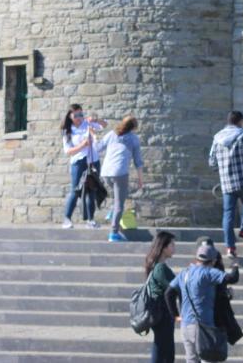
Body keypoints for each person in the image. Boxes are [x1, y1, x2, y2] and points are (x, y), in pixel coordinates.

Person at [165, 242, 240, 363]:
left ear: (197, 258)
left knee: (191, 359)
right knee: (208, 359)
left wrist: (175, 315)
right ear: (213, 261)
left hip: (186, 326)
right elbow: (233, 278)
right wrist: (235, 265)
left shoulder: (184, 273)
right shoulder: (209, 272)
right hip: (204, 327)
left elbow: (168, 293)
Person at [208, 110, 243, 258]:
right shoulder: (242, 135)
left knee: (228, 215)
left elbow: (211, 162)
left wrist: (222, 170)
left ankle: (230, 248)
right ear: (240, 121)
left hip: (227, 184)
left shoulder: (217, 138)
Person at [97, 114, 143, 242]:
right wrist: (140, 179)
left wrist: (93, 136)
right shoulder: (134, 139)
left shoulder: (112, 134)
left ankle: (112, 212)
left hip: (106, 173)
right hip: (120, 173)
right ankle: (114, 233)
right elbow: (138, 162)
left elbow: (98, 148)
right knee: (119, 203)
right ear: (133, 127)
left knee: (119, 196)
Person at [61, 104, 107, 229]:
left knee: (91, 190)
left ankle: (90, 220)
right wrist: (83, 145)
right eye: (76, 115)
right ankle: (67, 219)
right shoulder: (67, 130)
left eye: (81, 114)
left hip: (93, 161)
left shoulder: (87, 124)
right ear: (70, 116)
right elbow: (68, 151)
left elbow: (104, 125)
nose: (79, 117)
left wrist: (95, 120)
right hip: (78, 162)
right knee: (75, 190)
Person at [144, 230, 176, 363]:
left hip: (161, 313)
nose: (174, 248)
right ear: (163, 247)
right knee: (163, 349)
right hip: (162, 313)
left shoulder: (157, 265)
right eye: (172, 245)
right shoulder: (160, 268)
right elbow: (171, 288)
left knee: (164, 348)